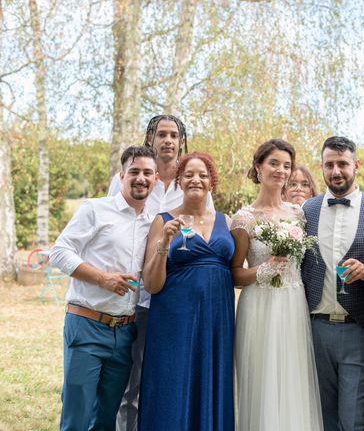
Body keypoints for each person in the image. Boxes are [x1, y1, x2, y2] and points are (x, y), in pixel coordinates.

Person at [111, 115, 213, 431]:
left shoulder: (194, 181)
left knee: (171, 377)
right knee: (133, 383)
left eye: (174, 135)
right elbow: (114, 221)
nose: (168, 140)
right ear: (150, 138)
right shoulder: (135, 177)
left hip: (178, 302)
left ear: (182, 141)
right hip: (138, 298)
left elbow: (206, 232)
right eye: (161, 134)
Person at [49, 146, 157, 431]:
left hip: (125, 333)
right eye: (134, 172)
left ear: (156, 179)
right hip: (87, 322)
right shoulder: (95, 209)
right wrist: (102, 278)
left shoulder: (154, 223)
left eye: (147, 172)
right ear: (122, 176)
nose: (140, 178)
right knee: (77, 415)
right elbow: (59, 252)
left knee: (107, 418)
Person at [301, 136, 364, 431]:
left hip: (360, 330)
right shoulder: (306, 210)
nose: (336, 171)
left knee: (355, 422)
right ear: (322, 167)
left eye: (342, 164)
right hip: (315, 330)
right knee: (324, 420)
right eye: (329, 165)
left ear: (356, 165)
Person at [138, 152, 234, 430]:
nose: (196, 179)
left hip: (217, 320)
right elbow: (152, 283)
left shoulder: (226, 222)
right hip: (174, 318)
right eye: (189, 174)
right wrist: (164, 242)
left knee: (211, 379)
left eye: (203, 175)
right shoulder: (163, 220)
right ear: (179, 180)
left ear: (211, 182)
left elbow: (235, 271)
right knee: (173, 381)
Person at [231, 139, 323, 431]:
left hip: (293, 304)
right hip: (259, 306)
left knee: (292, 378)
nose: (281, 171)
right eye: (274, 164)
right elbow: (234, 274)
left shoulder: (298, 215)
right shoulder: (243, 218)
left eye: (286, 166)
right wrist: (263, 270)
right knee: (261, 379)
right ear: (258, 168)